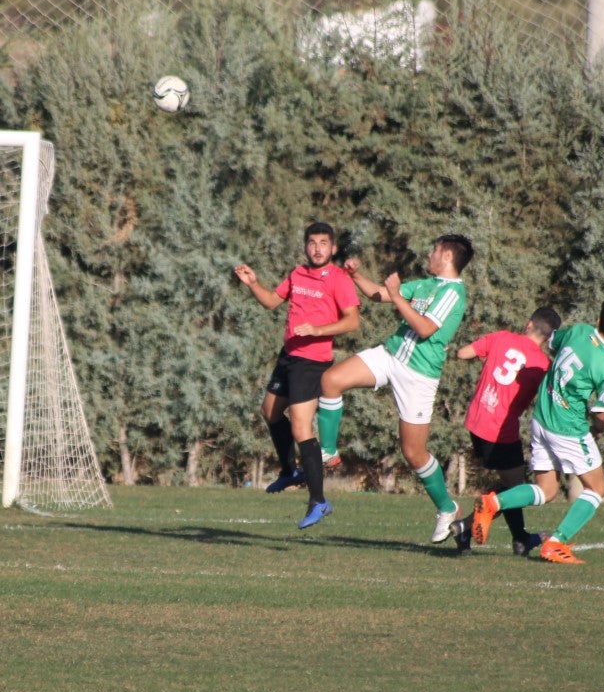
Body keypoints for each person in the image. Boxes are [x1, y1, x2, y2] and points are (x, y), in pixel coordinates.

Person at [316, 234, 473, 543]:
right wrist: (355, 275)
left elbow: (426, 329)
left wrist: (397, 296)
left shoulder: (454, 293)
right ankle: (328, 451)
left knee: (413, 453)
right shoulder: (425, 284)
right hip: (390, 355)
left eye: (435, 249)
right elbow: (380, 294)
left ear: (448, 258)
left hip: (418, 375)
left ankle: (446, 507)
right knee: (330, 380)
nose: (429, 253)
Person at [471, 297, 604, 564]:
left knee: (547, 490)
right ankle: (556, 543)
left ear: (597, 320)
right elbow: (601, 412)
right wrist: (598, 430)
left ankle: (492, 504)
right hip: (568, 429)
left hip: (541, 419)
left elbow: (552, 341)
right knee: (598, 487)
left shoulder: (580, 330)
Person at [234, 222, 360, 529]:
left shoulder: (339, 279)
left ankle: (319, 500)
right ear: (306, 246)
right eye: (312, 242)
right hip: (288, 356)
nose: (317, 248)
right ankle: (290, 470)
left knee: (302, 428)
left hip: (312, 362)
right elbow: (272, 302)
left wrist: (317, 330)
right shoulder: (297, 273)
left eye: (323, 243)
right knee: (270, 411)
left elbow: (352, 321)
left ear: (333, 248)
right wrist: (253, 283)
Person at [448, 306, 562, 556]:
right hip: (500, 430)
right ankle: (467, 527)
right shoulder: (543, 366)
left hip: (476, 422)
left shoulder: (501, 337)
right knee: (517, 491)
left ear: (529, 324)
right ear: (548, 337)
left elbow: (463, 353)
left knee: (513, 486)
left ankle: (519, 539)